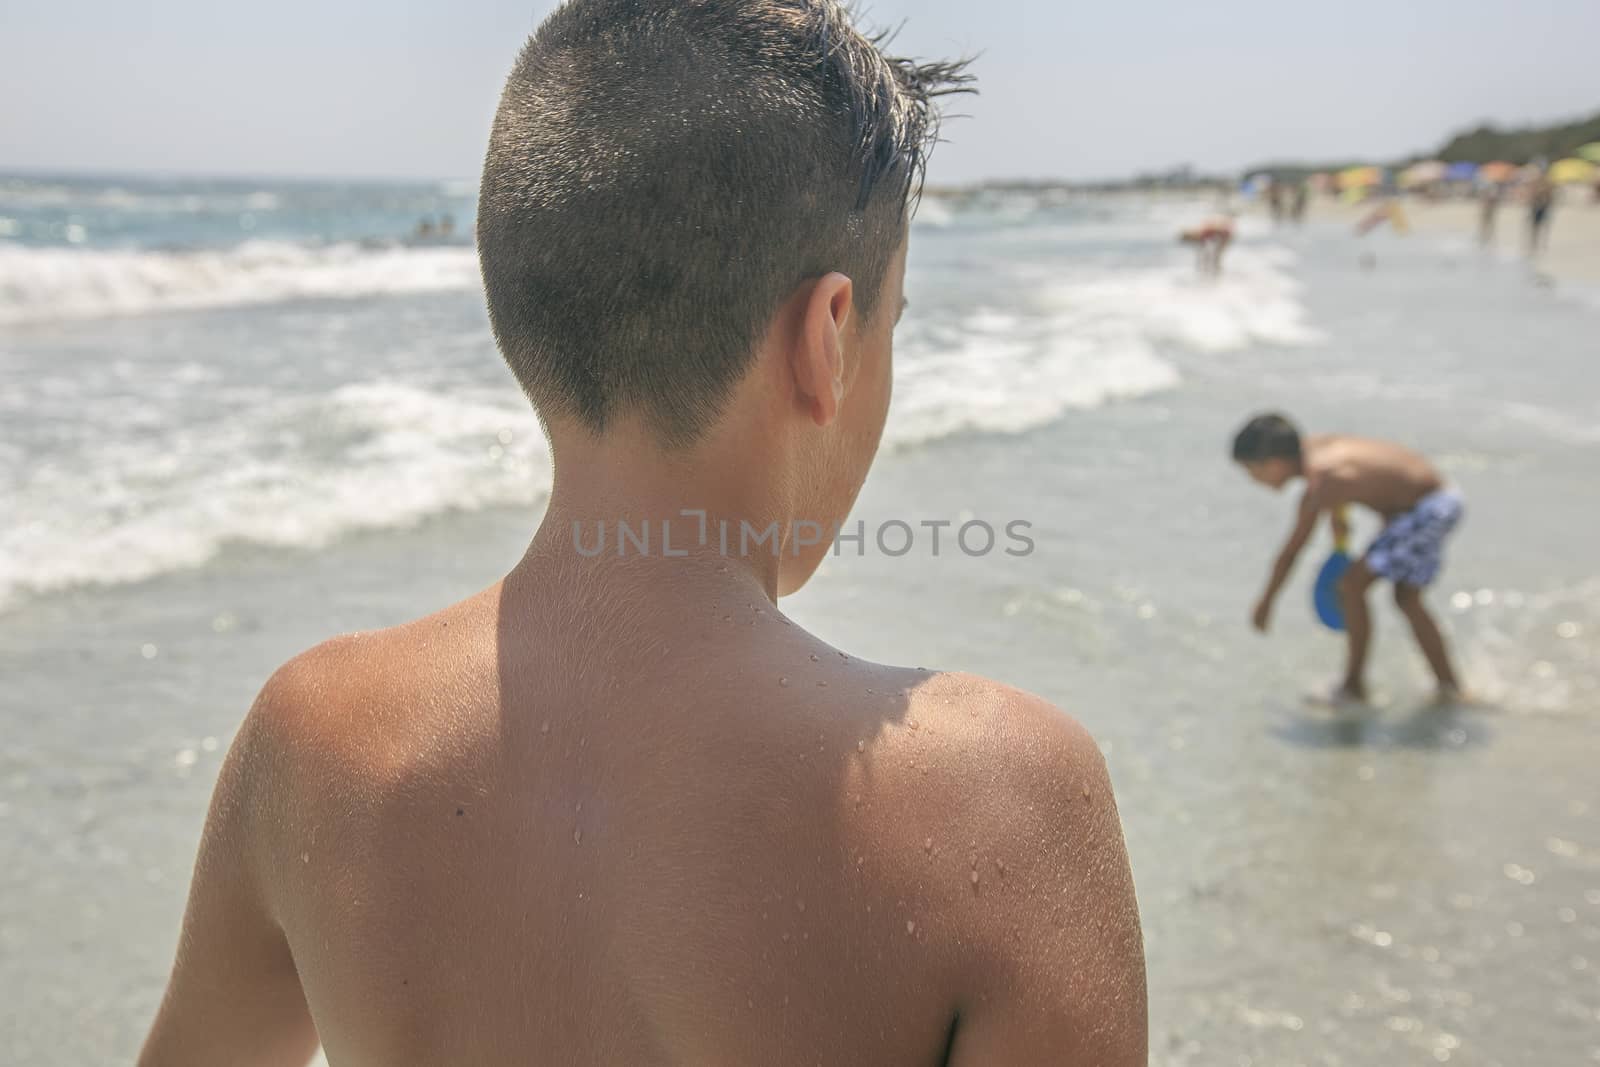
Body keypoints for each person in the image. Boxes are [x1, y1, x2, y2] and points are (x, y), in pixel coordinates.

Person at [138, 3, 1148, 1066]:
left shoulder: (314, 741)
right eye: (892, 327)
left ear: (523, 308)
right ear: (828, 336)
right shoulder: (1003, 795)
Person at [1232, 413, 1466, 706]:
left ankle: (1354, 687)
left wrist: (1267, 601)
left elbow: (1293, 550)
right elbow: (1357, 479)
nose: (1254, 480)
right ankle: (1450, 688)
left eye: (1252, 471)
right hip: (1428, 500)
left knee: (1352, 587)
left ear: (1274, 463)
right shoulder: (1316, 449)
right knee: (1406, 598)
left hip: (1427, 509)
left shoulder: (1322, 483)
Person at [1527, 173, 1555, 255]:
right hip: (1537, 208)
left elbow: (1549, 198)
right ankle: (1534, 243)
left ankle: (1539, 243)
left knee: (1542, 227)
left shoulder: (1546, 187)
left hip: (1542, 208)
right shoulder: (1537, 186)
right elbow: (1532, 198)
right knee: (1535, 227)